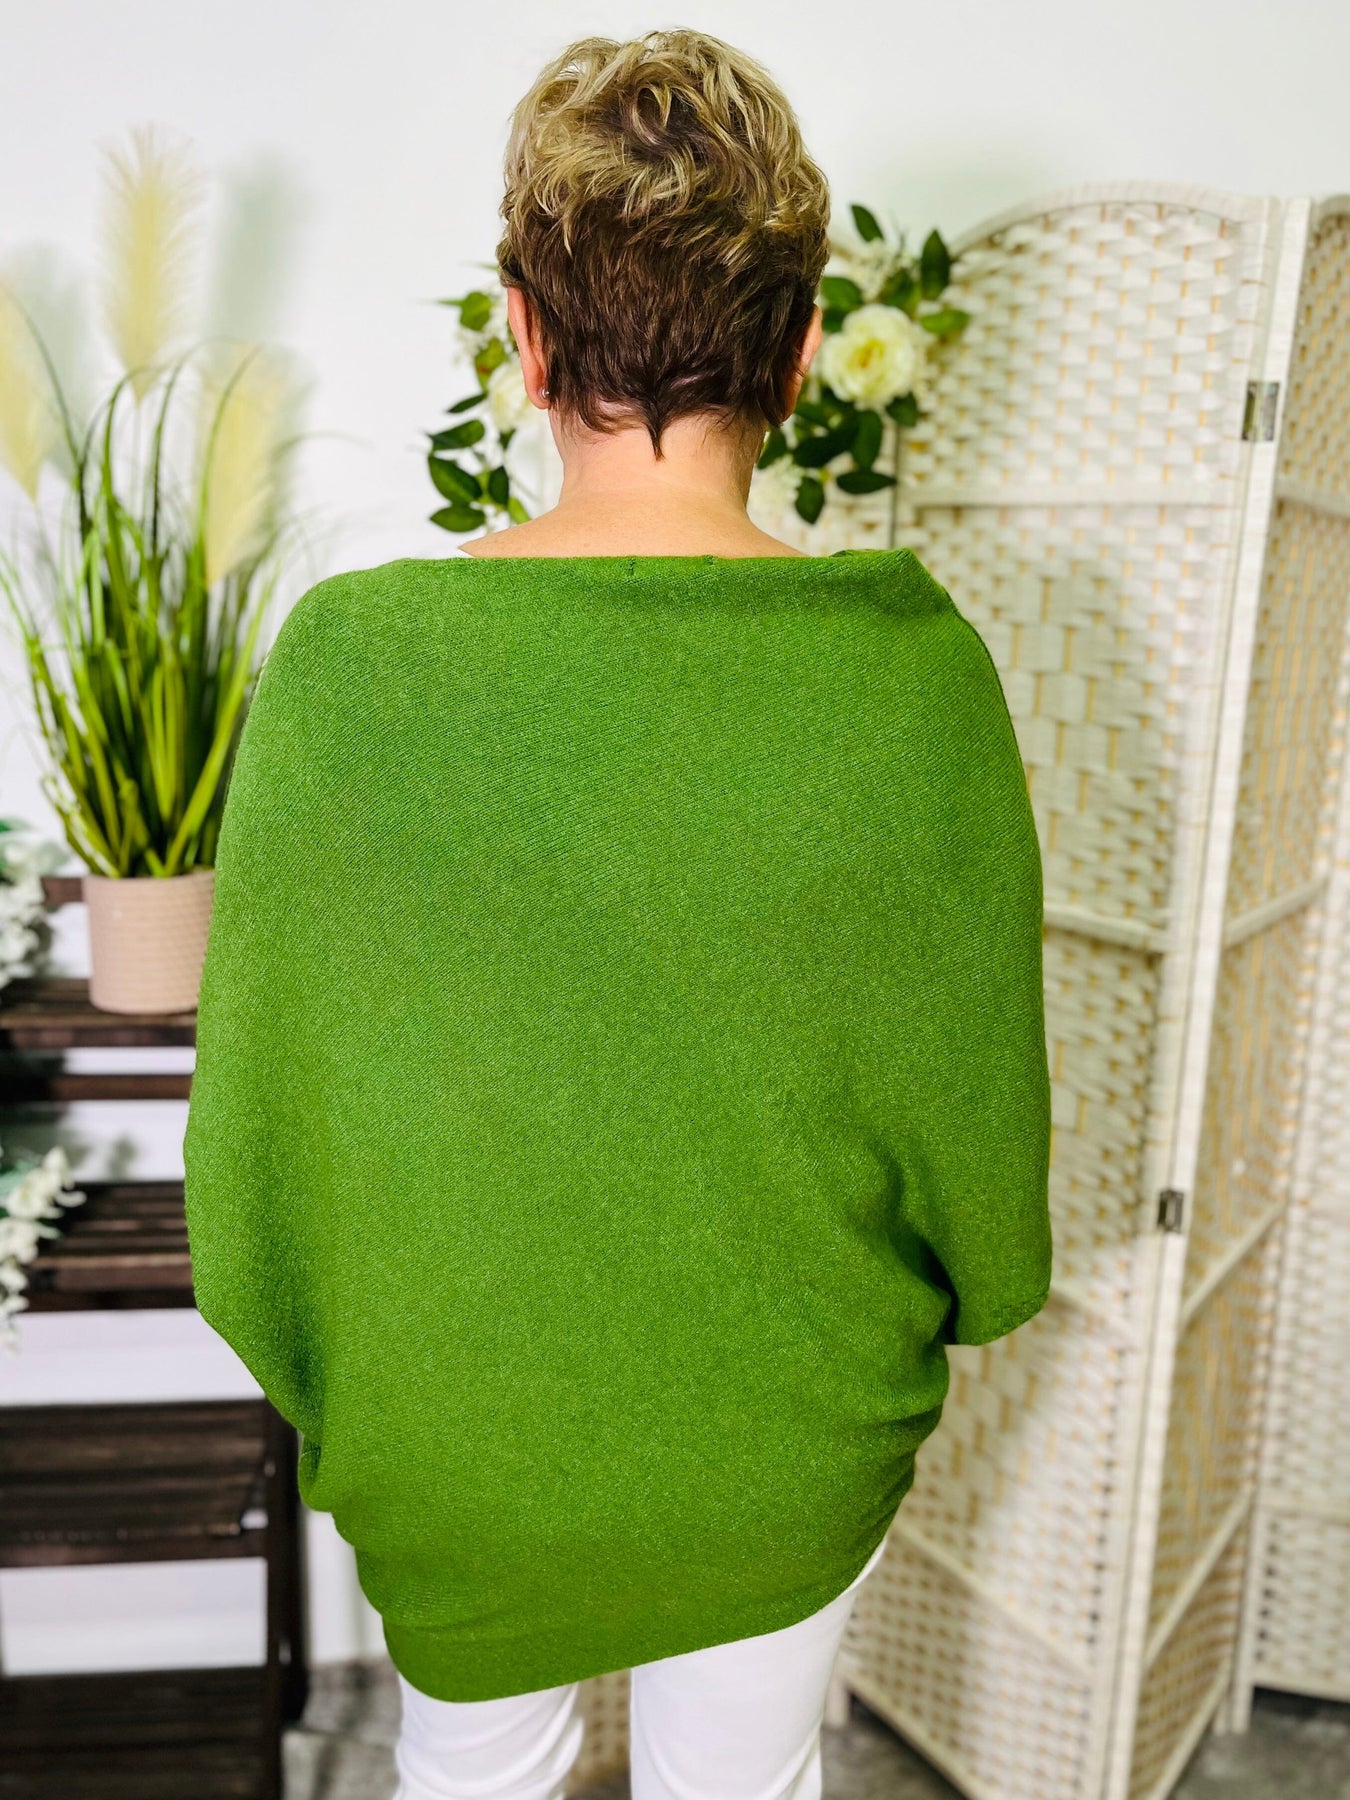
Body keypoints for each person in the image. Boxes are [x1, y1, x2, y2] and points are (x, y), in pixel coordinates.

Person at [183, 28, 1053, 1800]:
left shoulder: (347, 666)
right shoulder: (915, 681)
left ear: (523, 338)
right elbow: (982, 1174)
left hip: (450, 1440)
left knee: (471, 1776)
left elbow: (257, 1154)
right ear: (799, 354)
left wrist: (374, 1390)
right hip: (788, 1431)